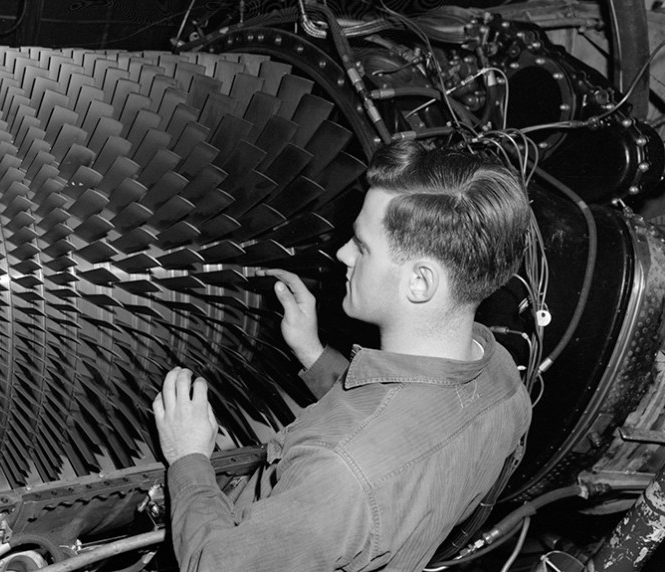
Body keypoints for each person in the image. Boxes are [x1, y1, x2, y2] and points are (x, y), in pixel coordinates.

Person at [152, 139, 534, 572]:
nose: (342, 254)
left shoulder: (340, 476)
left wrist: (188, 460)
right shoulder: (502, 378)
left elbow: (213, 565)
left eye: (362, 245)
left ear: (420, 283)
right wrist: (313, 353)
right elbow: (403, 424)